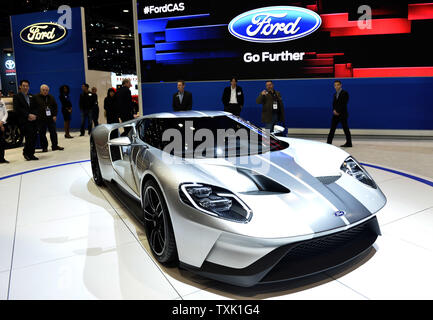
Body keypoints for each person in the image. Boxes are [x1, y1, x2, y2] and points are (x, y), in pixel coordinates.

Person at [33, 84, 64, 152]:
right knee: (42, 133)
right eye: (43, 90)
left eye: (46, 90)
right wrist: (36, 115)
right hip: (41, 119)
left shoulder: (51, 97)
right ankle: (44, 147)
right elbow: (33, 108)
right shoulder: (35, 97)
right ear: (40, 90)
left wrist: (55, 115)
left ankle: (55, 146)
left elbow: (55, 106)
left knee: (53, 133)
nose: (45, 91)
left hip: (50, 118)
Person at [13, 80, 39, 161]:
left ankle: (32, 154)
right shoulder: (17, 96)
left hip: (33, 120)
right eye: (23, 86)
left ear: (29, 87)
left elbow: (35, 107)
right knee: (29, 137)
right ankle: (26, 153)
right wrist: (28, 115)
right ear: (20, 86)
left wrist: (34, 115)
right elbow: (17, 109)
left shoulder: (32, 96)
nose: (25, 87)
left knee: (34, 137)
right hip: (24, 121)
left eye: (27, 86)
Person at [327, 80, 352, 148]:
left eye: (337, 85)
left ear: (340, 85)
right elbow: (334, 104)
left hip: (342, 114)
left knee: (345, 129)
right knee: (332, 129)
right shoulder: (335, 94)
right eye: (335, 85)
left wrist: (338, 111)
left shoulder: (345, 93)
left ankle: (349, 143)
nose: (336, 86)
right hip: (335, 114)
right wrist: (334, 110)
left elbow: (344, 104)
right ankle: (328, 143)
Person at [0, 91, 9, 163]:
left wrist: (2, 122)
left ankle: (2, 158)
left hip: (2, 124)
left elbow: (5, 113)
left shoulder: (2, 101)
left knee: (2, 143)